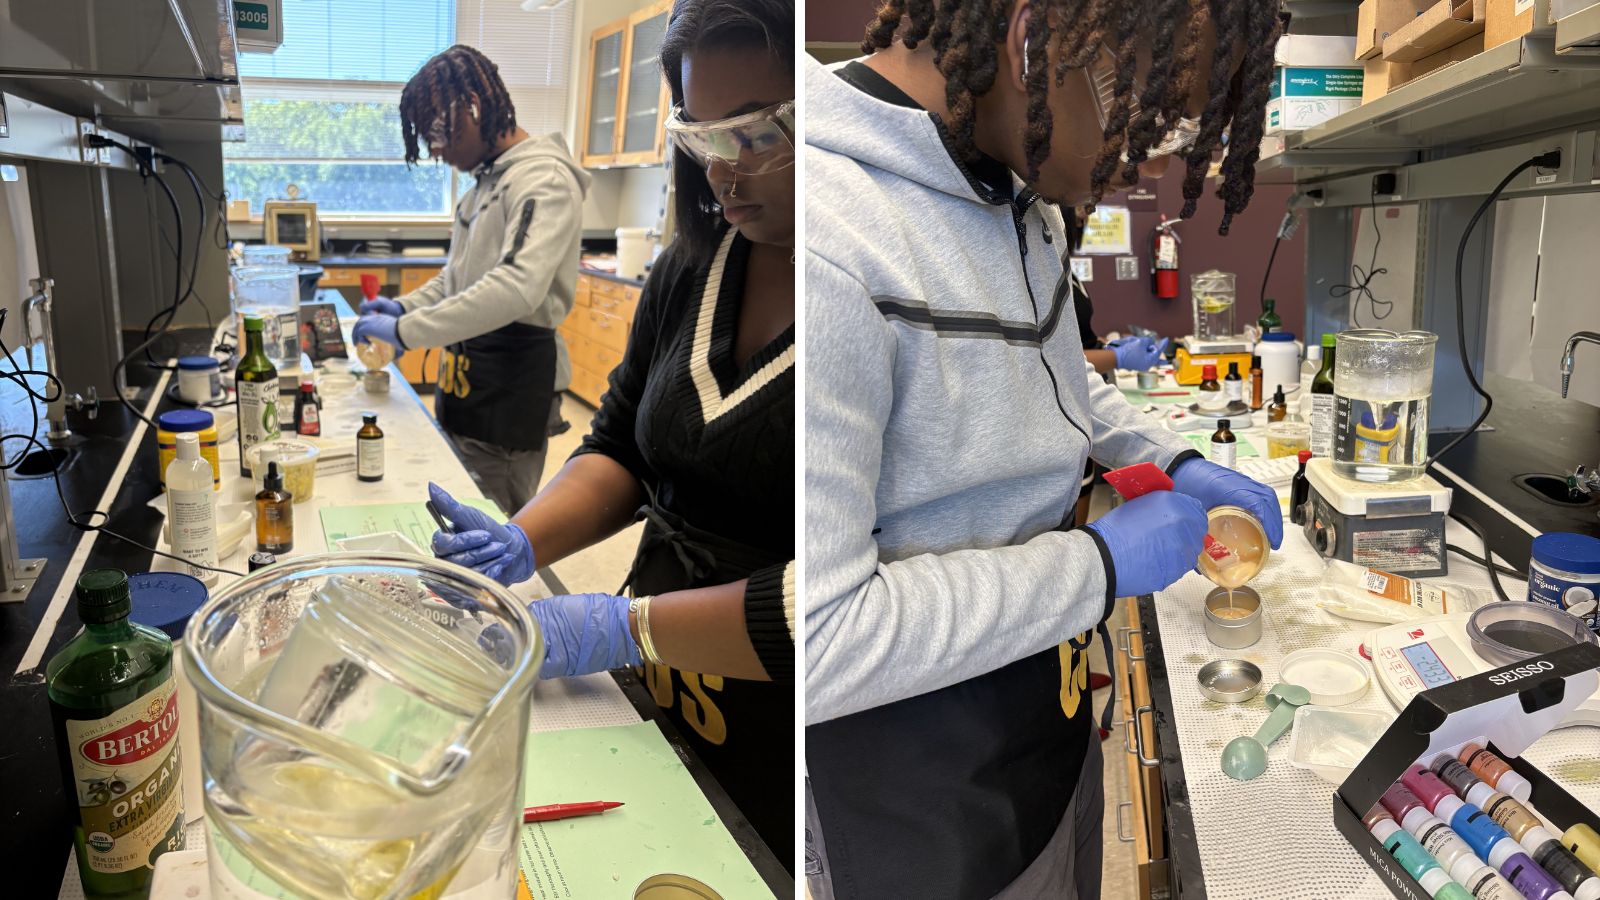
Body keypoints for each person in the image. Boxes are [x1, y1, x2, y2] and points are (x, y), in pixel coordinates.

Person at [804, 2, 1286, 898]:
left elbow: (1063, 375)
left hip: (1045, 715)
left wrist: (1169, 455)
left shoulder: (1018, 199)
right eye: (1144, 109)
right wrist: (1095, 567)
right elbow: (824, 644)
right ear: (1033, 42)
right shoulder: (833, 235)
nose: (1148, 155)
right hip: (920, 797)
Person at [426, 0, 796, 868]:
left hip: (778, 720)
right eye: (703, 138)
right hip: (658, 684)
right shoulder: (693, 265)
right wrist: (526, 535)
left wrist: (623, 629)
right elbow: (624, 443)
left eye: (759, 134)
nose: (725, 175)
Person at [352, 45, 590, 515]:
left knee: (493, 518)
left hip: (511, 383)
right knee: (461, 504)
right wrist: (404, 308)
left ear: (474, 105)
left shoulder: (543, 180)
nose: (436, 150)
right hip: (468, 379)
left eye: (439, 132)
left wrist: (405, 332)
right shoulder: (483, 185)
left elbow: (517, 286)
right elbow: (456, 280)